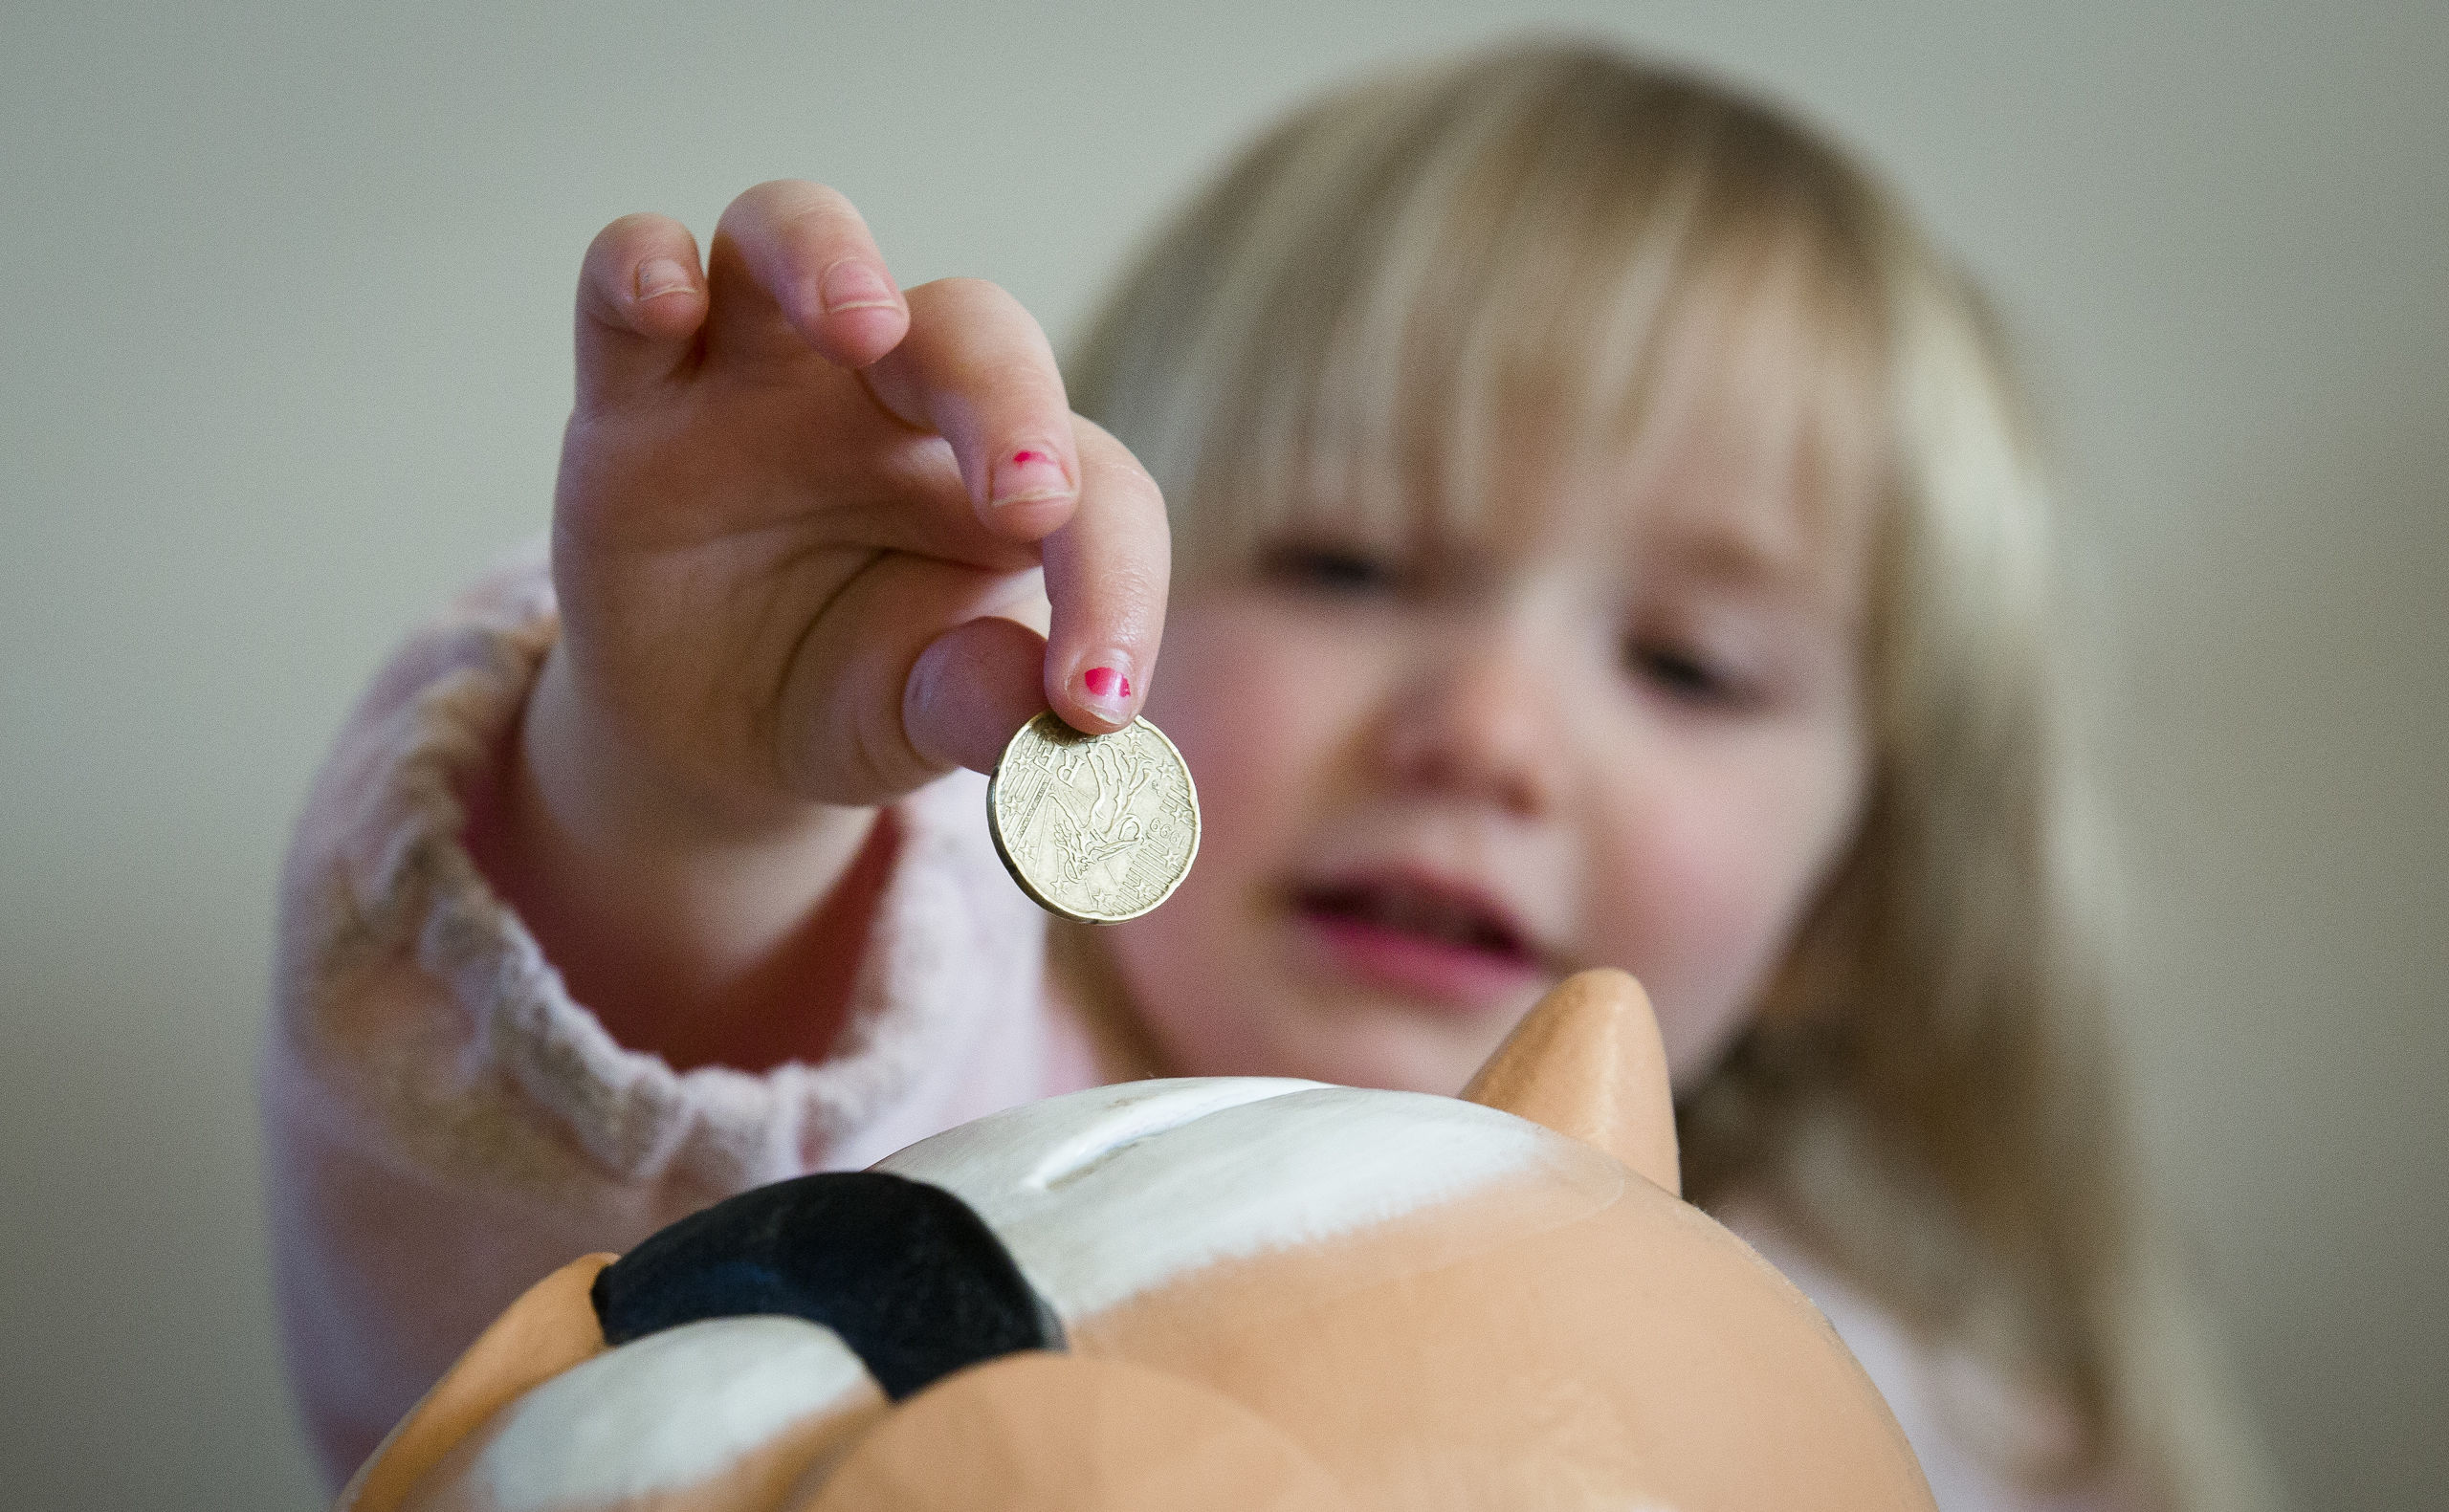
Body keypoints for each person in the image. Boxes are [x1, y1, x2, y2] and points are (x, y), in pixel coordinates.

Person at [262, 41, 2273, 1512]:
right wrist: (694, 806)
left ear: (1853, 901)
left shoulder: (1953, 1414)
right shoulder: (962, 1085)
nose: (1477, 728)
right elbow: (612, 1255)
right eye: (1345, 565)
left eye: (1687, 661)